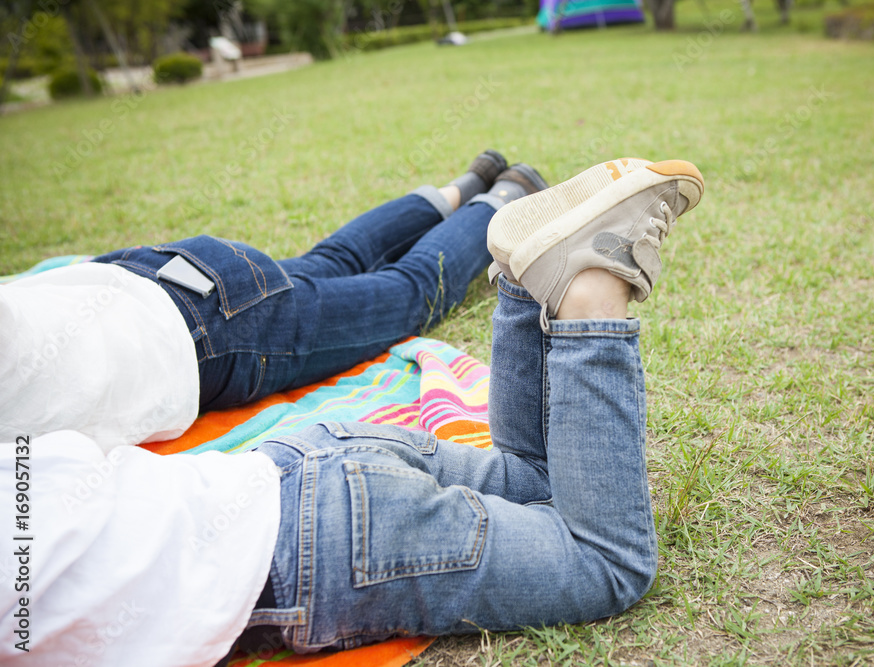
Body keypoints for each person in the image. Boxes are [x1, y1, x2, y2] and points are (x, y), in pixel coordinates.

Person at [0, 157, 704, 667]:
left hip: (322, 544)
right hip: (285, 466)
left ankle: (590, 296)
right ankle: (520, 278)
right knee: (530, 475)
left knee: (607, 562)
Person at [0, 151, 548, 452]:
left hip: (205, 335)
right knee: (329, 260)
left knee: (406, 294)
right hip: (146, 274)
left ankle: (499, 200)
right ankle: (466, 185)